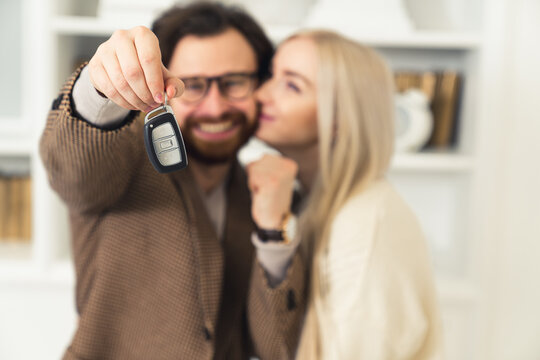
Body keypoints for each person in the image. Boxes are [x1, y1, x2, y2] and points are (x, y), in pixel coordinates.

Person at [39, 3, 307, 359]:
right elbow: (71, 172)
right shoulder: (122, 159)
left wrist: (274, 232)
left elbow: (275, 347)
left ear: (260, 84)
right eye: (193, 85)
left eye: (234, 83)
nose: (215, 108)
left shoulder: (268, 196)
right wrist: (99, 90)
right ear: (161, 85)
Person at [246, 30, 445, 359]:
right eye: (271, 75)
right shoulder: (314, 203)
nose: (262, 94)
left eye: (292, 85)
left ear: (339, 117)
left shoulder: (367, 221)